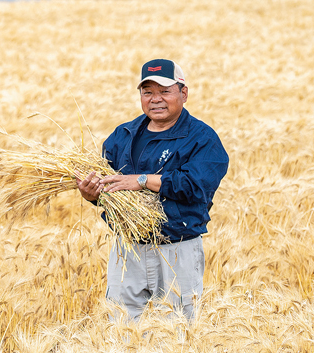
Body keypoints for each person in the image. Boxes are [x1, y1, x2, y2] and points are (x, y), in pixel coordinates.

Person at [76, 59, 228, 322]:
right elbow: (108, 190)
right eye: (148, 92)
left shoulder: (202, 139)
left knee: (178, 333)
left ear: (184, 93)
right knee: (120, 330)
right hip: (128, 249)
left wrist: (143, 180)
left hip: (177, 248)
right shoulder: (122, 135)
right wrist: (92, 193)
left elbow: (195, 185)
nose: (156, 99)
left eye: (165, 91)